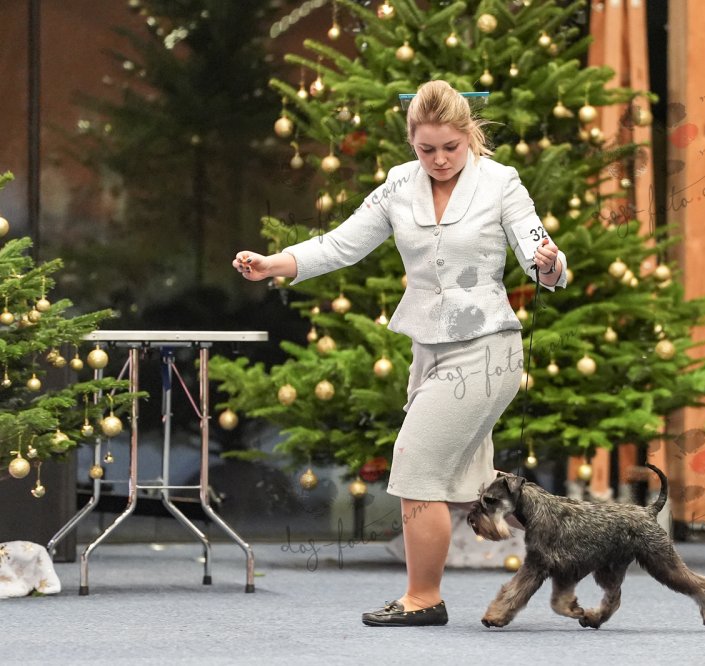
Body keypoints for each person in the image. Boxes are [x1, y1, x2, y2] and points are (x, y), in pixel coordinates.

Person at [232, 79, 568, 627]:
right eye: (426, 148)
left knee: (414, 467)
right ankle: (578, 537)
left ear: (469, 135)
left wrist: (549, 265)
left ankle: (422, 599)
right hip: (428, 351)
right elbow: (340, 244)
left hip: (487, 350)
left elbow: (540, 253)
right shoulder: (397, 184)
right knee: (467, 480)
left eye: (450, 147)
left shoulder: (501, 182)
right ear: (411, 141)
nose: (439, 159)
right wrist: (276, 263)